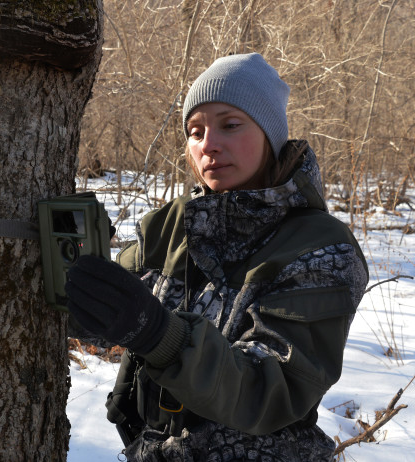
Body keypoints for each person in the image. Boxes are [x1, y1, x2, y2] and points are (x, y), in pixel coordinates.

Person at [65, 53, 369, 462]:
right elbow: (114, 313)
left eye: (230, 125)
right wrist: (76, 276)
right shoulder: (170, 224)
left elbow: (268, 389)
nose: (208, 144)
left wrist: (160, 335)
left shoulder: (322, 246)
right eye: (195, 130)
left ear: (270, 134)